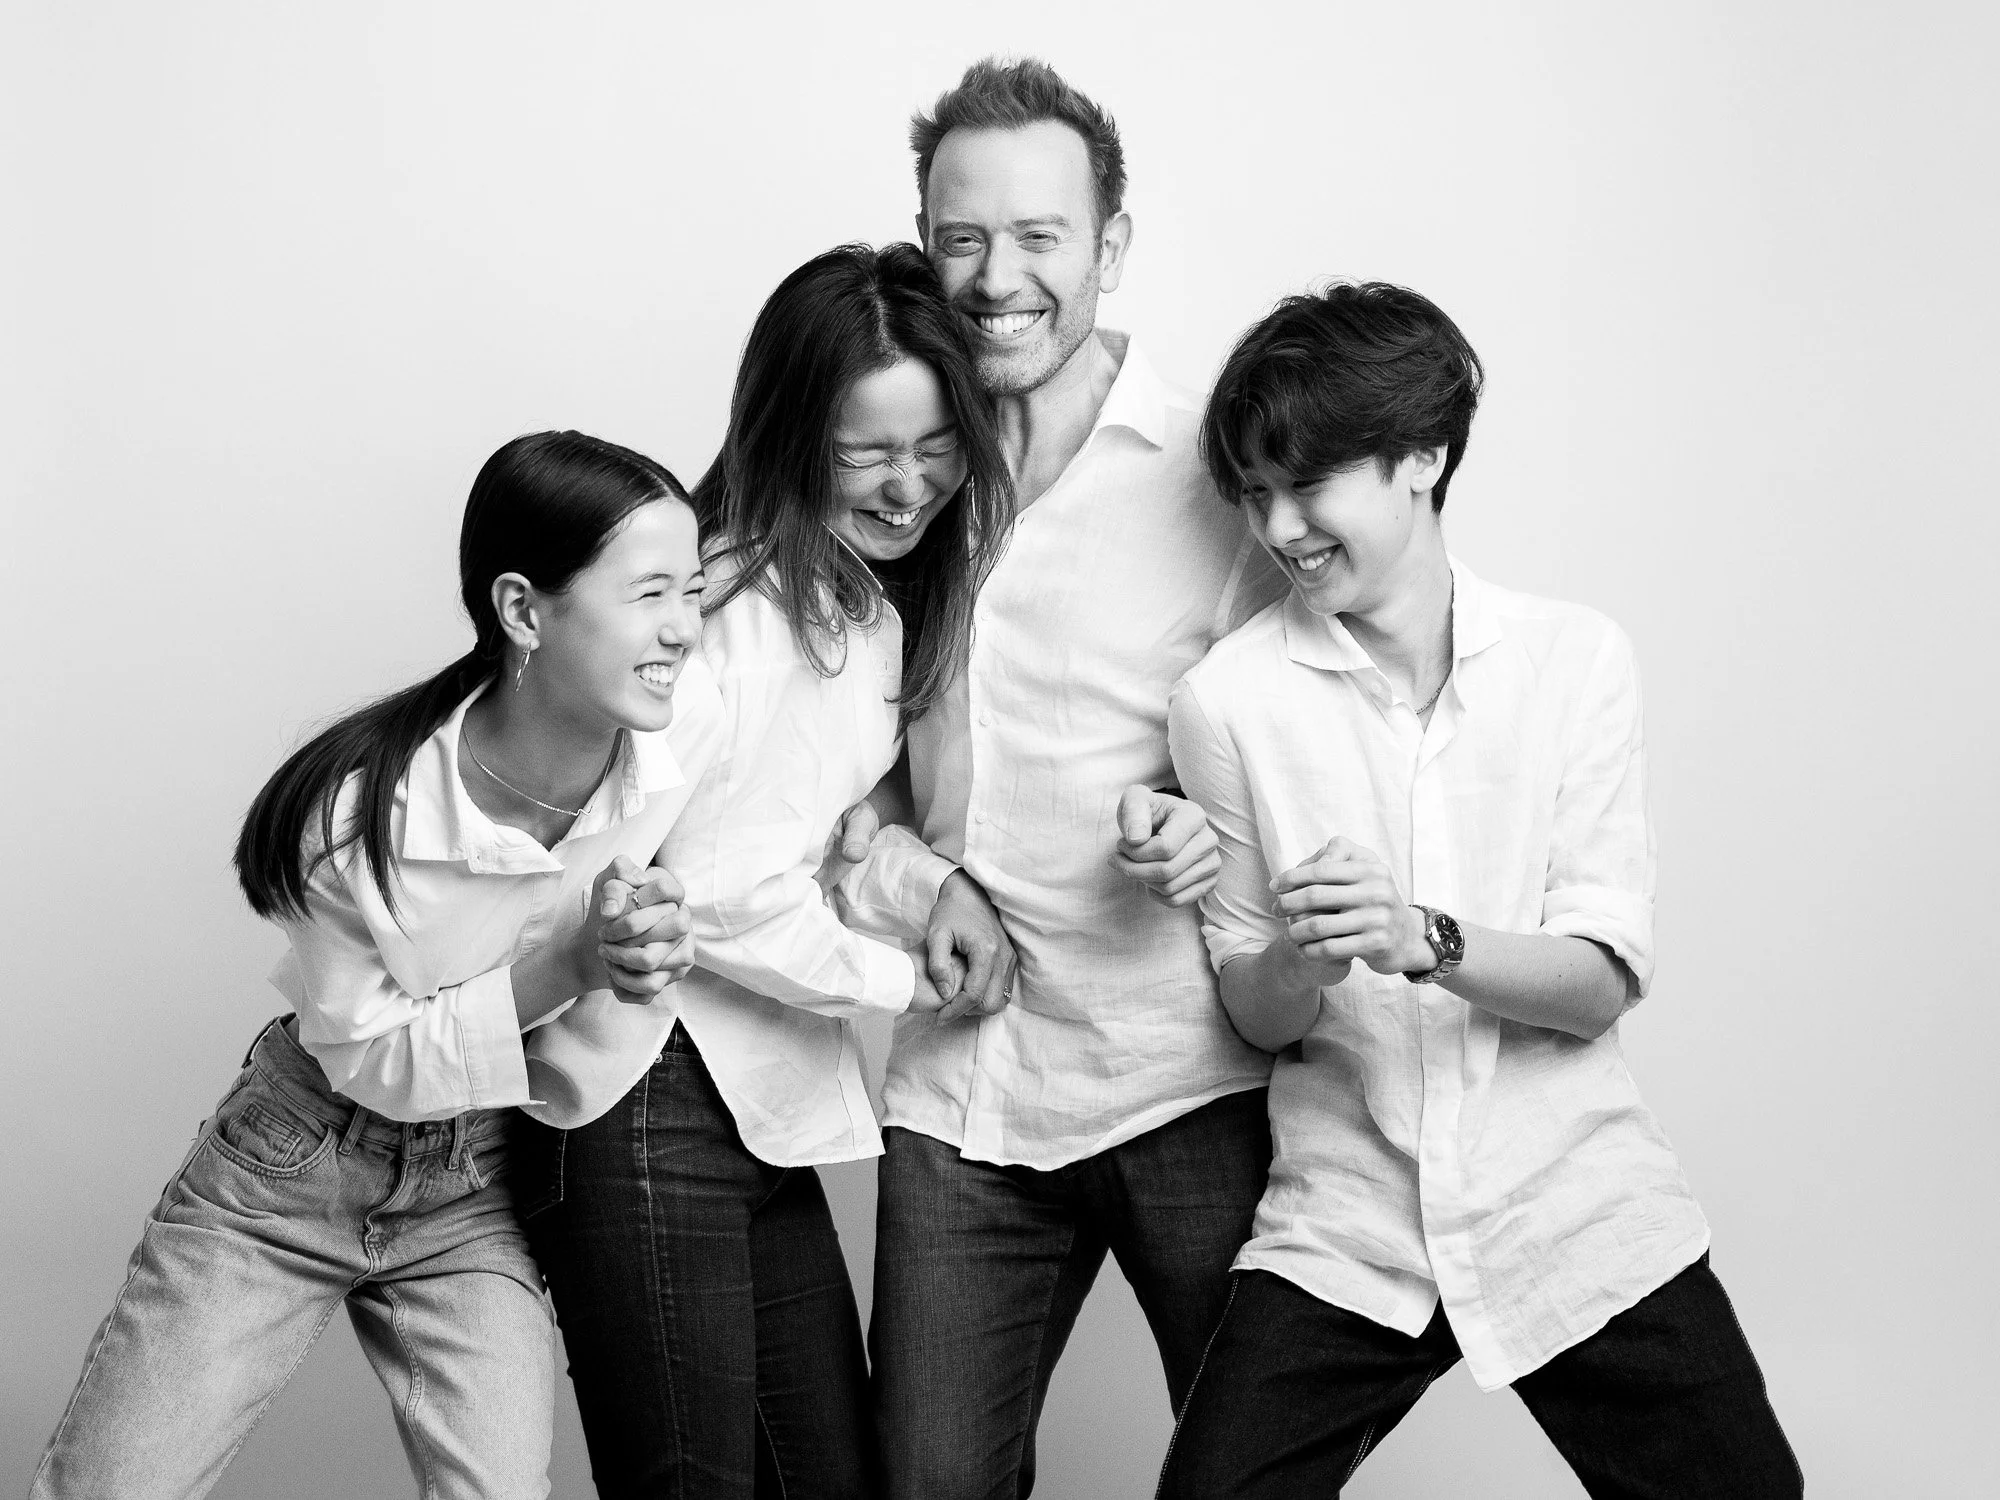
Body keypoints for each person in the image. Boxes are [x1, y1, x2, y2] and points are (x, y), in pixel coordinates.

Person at [1156, 282, 1803, 1497]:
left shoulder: (1572, 661)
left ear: (1421, 456)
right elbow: (1253, 1006)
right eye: (1250, 491)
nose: (1277, 526)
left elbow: (1597, 984)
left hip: (1573, 1202)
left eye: (1308, 482)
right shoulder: (1226, 702)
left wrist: (1423, 937)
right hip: (1346, 1223)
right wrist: (1298, 960)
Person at [31, 431, 722, 1500]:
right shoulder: (355, 814)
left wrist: (648, 937)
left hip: (476, 1178)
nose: (684, 627)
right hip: (292, 1164)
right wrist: (573, 963)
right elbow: (375, 1061)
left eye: (694, 590)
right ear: (523, 610)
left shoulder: (681, 734)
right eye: (649, 595)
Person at [519, 243, 1016, 1500]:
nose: (908, 487)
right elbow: (724, 895)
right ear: (790, 437)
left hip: (743, 1099)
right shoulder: (742, 615)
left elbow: (820, 839)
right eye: (865, 452)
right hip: (644, 1094)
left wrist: (924, 893)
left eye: (936, 445)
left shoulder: (855, 606)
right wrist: (904, 986)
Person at [863, 58, 1287, 1499]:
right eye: (962, 239)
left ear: (1110, 244)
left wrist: (1207, 833)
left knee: (1256, 1482)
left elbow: (1313, 757)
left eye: (1038, 236)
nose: (997, 280)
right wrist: (923, 886)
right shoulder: (894, 478)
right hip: (962, 1087)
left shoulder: (1219, 481)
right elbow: (831, 779)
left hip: (1187, 1080)